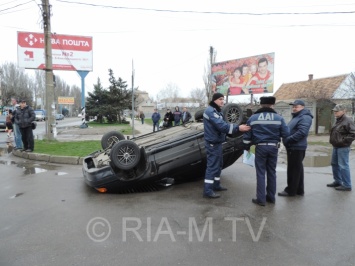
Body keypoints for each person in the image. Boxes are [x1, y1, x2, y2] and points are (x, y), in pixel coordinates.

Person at [243, 96, 289, 206]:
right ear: (272, 105)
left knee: (260, 173)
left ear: (260, 104)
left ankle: (261, 199)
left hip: (260, 147)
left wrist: (246, 147)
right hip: (273, 147)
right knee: (272, 173)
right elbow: (286, 134)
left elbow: (247, 136)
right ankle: (271, 198)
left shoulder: (253, 118)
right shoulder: (279, 118)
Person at [203, 93, 251, 198]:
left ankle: (216, 185)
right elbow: (222, 126)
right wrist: (238, 128)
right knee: (212, 167)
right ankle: (207, 191)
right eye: (220, 99)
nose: (222, 101)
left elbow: (224, 126)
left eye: (223, 99)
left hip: (217, 143)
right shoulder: (210, 111)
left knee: (218, 165)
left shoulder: (217, 111)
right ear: (214, 100)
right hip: (213, 144)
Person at [278, 100, 313, 197]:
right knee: (297, 169)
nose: (294, 108)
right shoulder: (297, 116)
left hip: (296, 146)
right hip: (294, 146)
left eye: (296, 106)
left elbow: (302, 132)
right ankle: (299, 190)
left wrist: (288, 140)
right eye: (293, 106)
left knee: (293, 169)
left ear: (302, 107)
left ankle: (290, 191)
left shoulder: (305, 117)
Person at [326, 104, 355, 191]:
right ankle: (338, 181)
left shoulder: (348, 120)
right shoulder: (338, 120)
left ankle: (347, 185)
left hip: (343, 146)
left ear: (343, 111)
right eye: (334, 111)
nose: (335, 112)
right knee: (334, 164)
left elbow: (353, 133)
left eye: (337, 111)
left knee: (343, 165)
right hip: (336, 146)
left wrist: (343, 141)